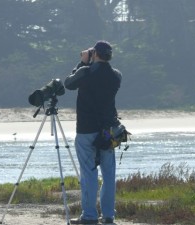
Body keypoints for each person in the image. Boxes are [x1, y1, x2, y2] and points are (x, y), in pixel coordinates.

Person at [64, 40, 122, 224]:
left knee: (89, 173)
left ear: (95, 54)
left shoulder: (85, 72)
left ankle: (89, 216)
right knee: (109, 173)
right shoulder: (116, 76)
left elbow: (68, 83)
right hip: (109, 130)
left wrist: (82, 62)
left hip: (87, 129)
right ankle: (108, 216)